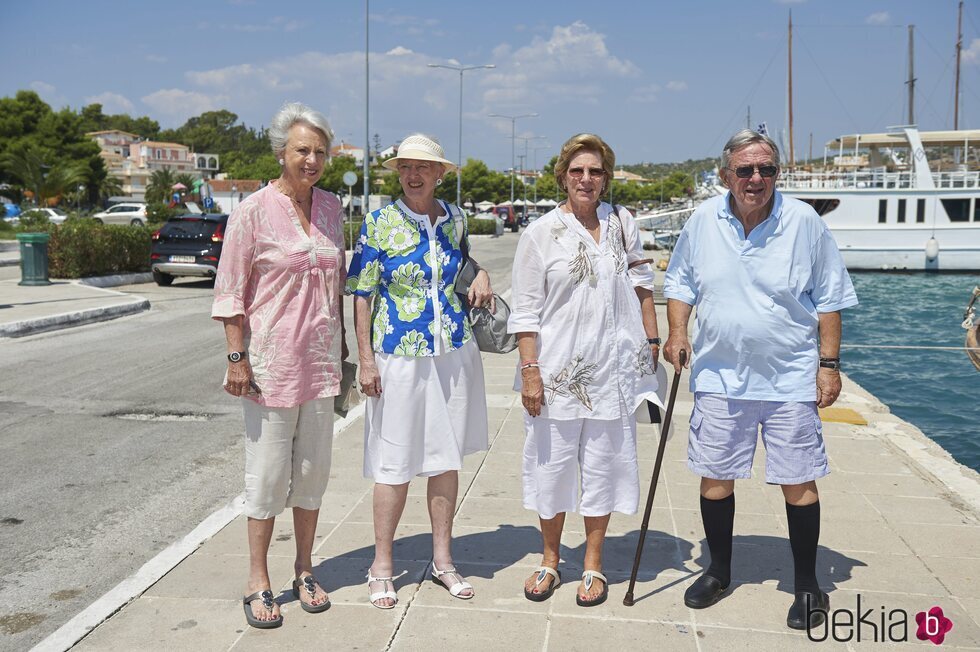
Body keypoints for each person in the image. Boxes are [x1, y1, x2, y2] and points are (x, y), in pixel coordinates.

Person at [663, 129, 858, 630]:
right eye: (745, 170)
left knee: (798, 481)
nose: (756, 179)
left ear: (777, 174)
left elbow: (830, 296)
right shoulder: (703, 220)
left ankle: (809, 585)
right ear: (726, 173)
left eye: (766, 169)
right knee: (715, 480)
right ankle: (720, 571)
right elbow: (681, 282)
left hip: (789, 376)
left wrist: (828, 364)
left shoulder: (805, 222)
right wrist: (677, 332)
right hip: (719, 375)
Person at [508, 133, 662, 607]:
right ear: (563, 176)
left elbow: (642, 285)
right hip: (555, 376)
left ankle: (593, 564)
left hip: (614, 375)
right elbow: (526, 311)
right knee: (551, 470)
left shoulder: (622, 223)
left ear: (606, 179)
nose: (586, 179)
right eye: (577, 171)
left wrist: (653, 341)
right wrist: (529, 370)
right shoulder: (540, 233)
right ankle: (550, 560)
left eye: (595, 171)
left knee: (605, 470)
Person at [212, 102, 346, 629]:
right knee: (267, 476)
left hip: (320, 365)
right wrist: (236, 358)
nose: (311, 159)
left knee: (312, 473)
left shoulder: (334, 209)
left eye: (319, 151)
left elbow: (342, 283)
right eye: (301, 150)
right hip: (268, 366)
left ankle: (305, 570)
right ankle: (257, 579)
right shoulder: (251, 211)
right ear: (281, 153)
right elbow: (230, 292)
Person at [346, 133, 494, 608]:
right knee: (394, 464)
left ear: (440, 174)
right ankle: (382, 564)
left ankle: (443, 561)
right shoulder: (379, 222)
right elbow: (363, 292)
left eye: (424, 168)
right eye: (406, 167)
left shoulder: (455, 219)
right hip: (398, 356)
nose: (413, 175)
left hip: (452, 351)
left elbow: (461, 264)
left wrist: (482, 273)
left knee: (445, 459)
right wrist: (365, 358)